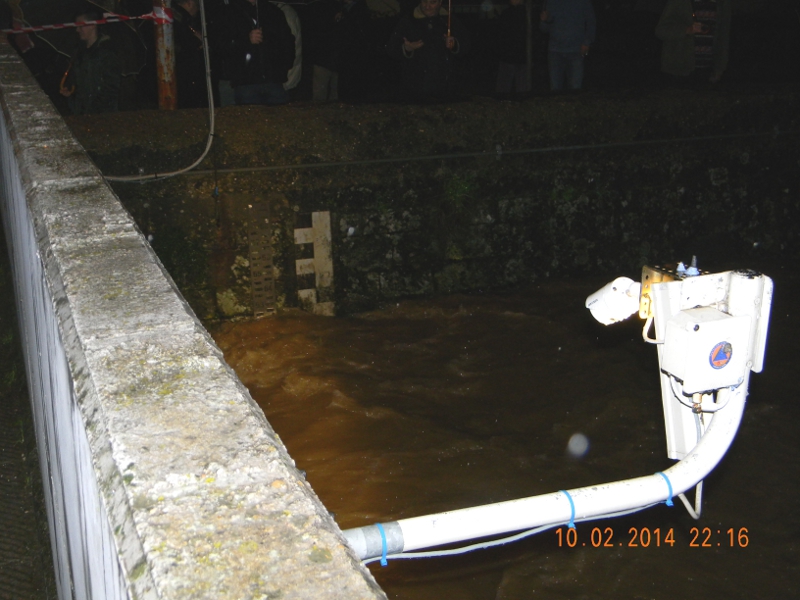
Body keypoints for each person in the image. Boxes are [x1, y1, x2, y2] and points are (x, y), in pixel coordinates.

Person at [386, 0, 470, 101]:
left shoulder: (449, 21)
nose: (427, 6)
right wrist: (407, 48)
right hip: (415, 91)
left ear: (440, 3)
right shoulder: (408, 21)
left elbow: (466, 48)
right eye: (424, 2)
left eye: (432, 2)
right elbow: (392, 50)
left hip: (445, 91)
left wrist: (454, 44)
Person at [220, 0, 295, 105]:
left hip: (273, 81)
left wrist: (281, 69)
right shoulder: (230, 12)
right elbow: (222, 46)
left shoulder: (273, 11)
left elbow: (287, 42)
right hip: (246, 84)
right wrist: (246, 40)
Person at [655, 0, 731, 85]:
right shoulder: (679, 2)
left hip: (708, 72)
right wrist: (687, 30)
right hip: (679, 70)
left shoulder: (721, 3)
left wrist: (719, 68)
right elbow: (661, 30)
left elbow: (723, 36)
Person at [59, 11, 121, 115]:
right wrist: (69, 93)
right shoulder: (78, 52)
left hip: (101, 117)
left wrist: (92, 112)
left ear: (92, 25)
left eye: (80, 26)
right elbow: (77, 83)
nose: (77, 30)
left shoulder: (107, 53)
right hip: (80, 114)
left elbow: (111, 89)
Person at [539, 0, 595, 92]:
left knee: (575, 87)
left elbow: (591, 22)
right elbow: (544, 29)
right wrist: (543, 21)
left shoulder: (583, 2)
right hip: (555, 51)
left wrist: (586, 42)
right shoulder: (551, 2)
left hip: (576, 50)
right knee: (555, 88)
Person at [174, 0, 208, 108]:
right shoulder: (180, 19)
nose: (197, 10)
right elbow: (182, 45)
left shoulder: (183, 19)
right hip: (182, 77)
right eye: (196, 5)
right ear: (189, 3)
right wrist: (197, 42)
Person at [495, 0, 531, 95]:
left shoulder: (528, 13)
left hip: (521, 59)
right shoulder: (506, 13)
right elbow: (500, 35)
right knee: (503, 91)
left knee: (522, 92)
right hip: (508, 58)